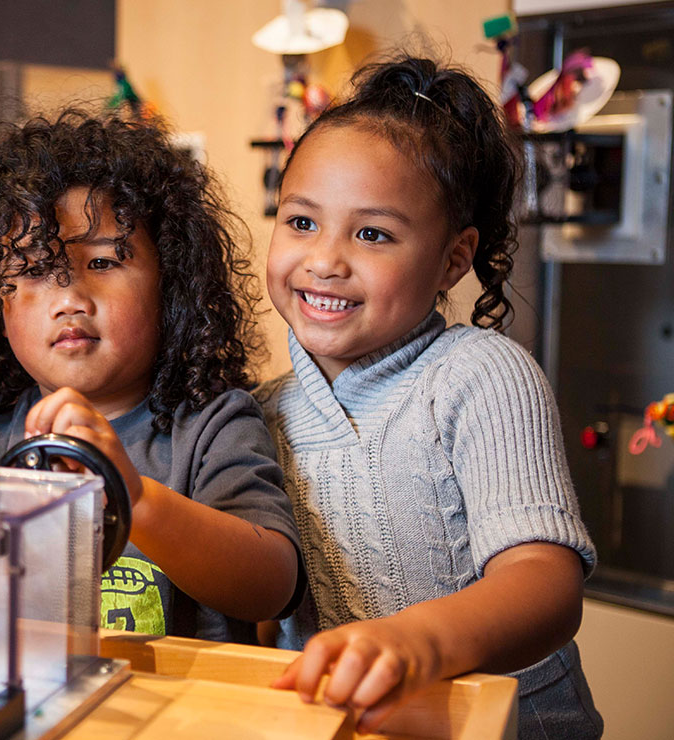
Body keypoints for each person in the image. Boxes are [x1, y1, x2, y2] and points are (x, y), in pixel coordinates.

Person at [257, 56, 602, 738]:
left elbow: (545, 581)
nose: (325, 259)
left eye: (372, 233)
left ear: (453, 259)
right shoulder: (264, 409)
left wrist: (420, 641)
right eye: (301, 222)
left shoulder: (479, 374)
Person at [0, 109, 303, 643]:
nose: (70, 297)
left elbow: (272, 585)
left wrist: (135, 499)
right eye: (32, 271)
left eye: (101, 263)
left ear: (170, 284)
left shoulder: (212, 427)